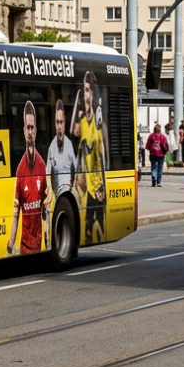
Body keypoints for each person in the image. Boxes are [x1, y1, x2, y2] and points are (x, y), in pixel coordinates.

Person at [8, 100, 48, 255]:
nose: (30, 132)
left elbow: (45, 210)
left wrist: (47, 238)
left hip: (39, 245)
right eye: (28, 128)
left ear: (36, 130)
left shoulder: (42, 166)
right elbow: (16, 214)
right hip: (25, 246)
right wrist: (11, 242)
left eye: (32, 128)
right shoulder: (20, 170)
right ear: (24, 130)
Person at [71, 71, 106, 244]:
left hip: (98, 186)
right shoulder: (82, 122)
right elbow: (73, 133)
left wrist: (102, 187)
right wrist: (77, 108)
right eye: (83, 90)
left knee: (100, 227)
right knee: (87, 228)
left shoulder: (99, 124)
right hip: (86, 186)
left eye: (88, 90)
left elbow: (104, 155)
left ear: (93, 93)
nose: (86, 95)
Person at [47, 99, 77, 205]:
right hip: (57, 198)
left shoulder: (69, 145)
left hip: (69, 196)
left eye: (61, 122)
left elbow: (77, 170)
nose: (59, 127)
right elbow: (47, 174)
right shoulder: (52, 148)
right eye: (57, 122)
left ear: (64, 122)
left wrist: (72, 183)